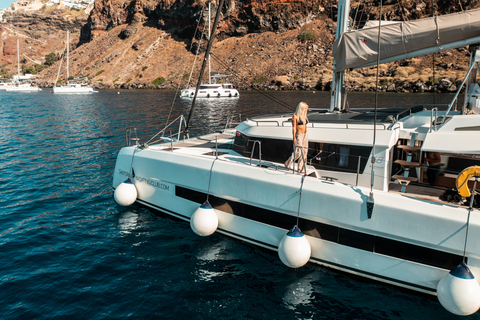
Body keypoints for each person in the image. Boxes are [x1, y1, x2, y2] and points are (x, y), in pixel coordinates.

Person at [285, 102, 309, 173]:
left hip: (305, 134)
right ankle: (287, 163)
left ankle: (301, 168)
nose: (305, 110)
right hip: (299, 135)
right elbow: (294, 128)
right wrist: (294, 138)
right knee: (298, 152)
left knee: (304, 151)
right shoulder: (295, 116)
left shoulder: (304, 115)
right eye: (304, 109)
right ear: (300, 108)